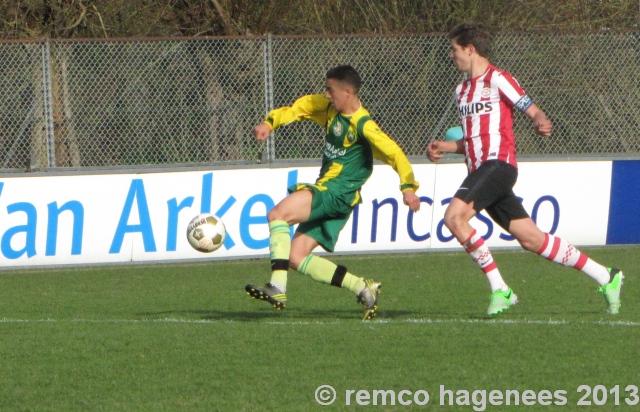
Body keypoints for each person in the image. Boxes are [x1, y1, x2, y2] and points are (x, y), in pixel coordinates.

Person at [427, 22, 623, 316]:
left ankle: (500, 289)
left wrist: (539, 120)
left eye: (454, 49)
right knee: (531, 239)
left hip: (499, 166)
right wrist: (443, 145)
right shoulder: (461, 91)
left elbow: (531, 107)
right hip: (482, 172)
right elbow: (471, 142)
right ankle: (606, 276)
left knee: (454, 217)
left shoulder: (498, 79)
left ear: (470, 49)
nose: (451, 55)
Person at [245, 65, 421, 320]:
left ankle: (277, 286)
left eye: (330, 90)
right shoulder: (330, 109)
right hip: (338, 198)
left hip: (336, 192)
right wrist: (269, 123)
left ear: (347, 92)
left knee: (277, 214)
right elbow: (301, 107)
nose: (326, 94)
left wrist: (408, 188)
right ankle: (361, 286)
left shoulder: (364, 125)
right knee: (295, 256)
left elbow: (394, 153)